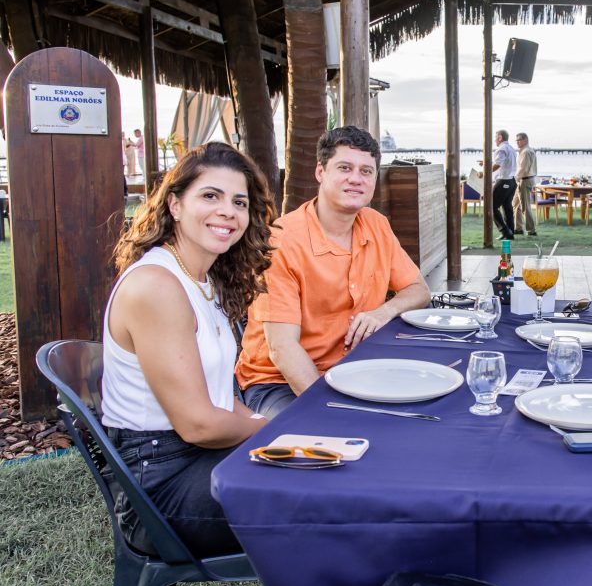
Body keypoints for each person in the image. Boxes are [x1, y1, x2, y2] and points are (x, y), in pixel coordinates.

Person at [102, 142, 276, 557]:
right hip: (160, 489)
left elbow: (222, 400)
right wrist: (276, 430)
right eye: (210, 196)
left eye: (239, 202)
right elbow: (199, 424)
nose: (228, 212)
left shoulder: (205, 281)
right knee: (326, 500)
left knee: (327, 469)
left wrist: (270, 426)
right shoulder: (157, 286)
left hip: (197, 458)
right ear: (175, 205)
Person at [235, 126, 431, 417]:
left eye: (366, 171)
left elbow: (419, 290)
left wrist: (383, 312)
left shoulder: (375, 223)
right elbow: (282, 349)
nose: (356, 178)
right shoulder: (282, 242)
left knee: (423, 409)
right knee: (324, 439)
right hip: (279, 382)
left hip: (355, 368)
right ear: (320, 172)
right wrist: (330, 413)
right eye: (344, 167)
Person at [487, 129, 518, 240]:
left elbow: (497, 165)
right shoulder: (511, 148)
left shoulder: (501, 148)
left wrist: (484, 172)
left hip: (503, 181)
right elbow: (503, 163)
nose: (495, 140)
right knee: (507, 207)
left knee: (491, 206)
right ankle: (510, 232)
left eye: (496, 137)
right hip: (512, 181)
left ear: (500, 137)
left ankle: (505, 231)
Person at [512, 132, 539, 236]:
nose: (517, 142)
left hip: (524, 180)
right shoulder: (524, 151)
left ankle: (531, 230)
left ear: (525, 140)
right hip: (523, 180)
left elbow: (523, 169)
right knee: (515, 204)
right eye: (516, 140)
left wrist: (514, 180)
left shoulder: (526, 152)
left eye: (519, 140)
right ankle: (518, 228)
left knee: (525, 206)